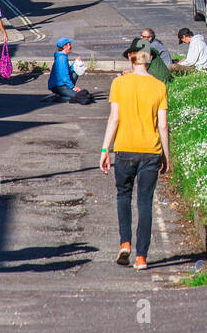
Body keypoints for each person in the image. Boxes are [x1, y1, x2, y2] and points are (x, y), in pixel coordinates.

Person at [100, 43, 170, 270]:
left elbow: (114, 119)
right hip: (151, 150)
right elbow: (163, 125)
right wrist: (166, 155)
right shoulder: (159, 87)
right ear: (149, 60)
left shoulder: (119, 84)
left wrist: (104, 150)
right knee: (145, 202)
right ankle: (142, 257)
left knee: (123, 196)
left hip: (125, 149)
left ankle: (125, 243)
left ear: (131, 59)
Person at [48, 37, 92, 103]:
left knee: (76, 70)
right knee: (78, 97)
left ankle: (61, 95)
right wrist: (73, 87)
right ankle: (57, 97)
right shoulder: (62, 59)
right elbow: (64, 76)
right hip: (59, 86)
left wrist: (76, 63)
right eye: (69, 45)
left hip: (62, 84)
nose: (71, 47)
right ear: (65, 46)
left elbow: (68, 71)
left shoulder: (62, 56)